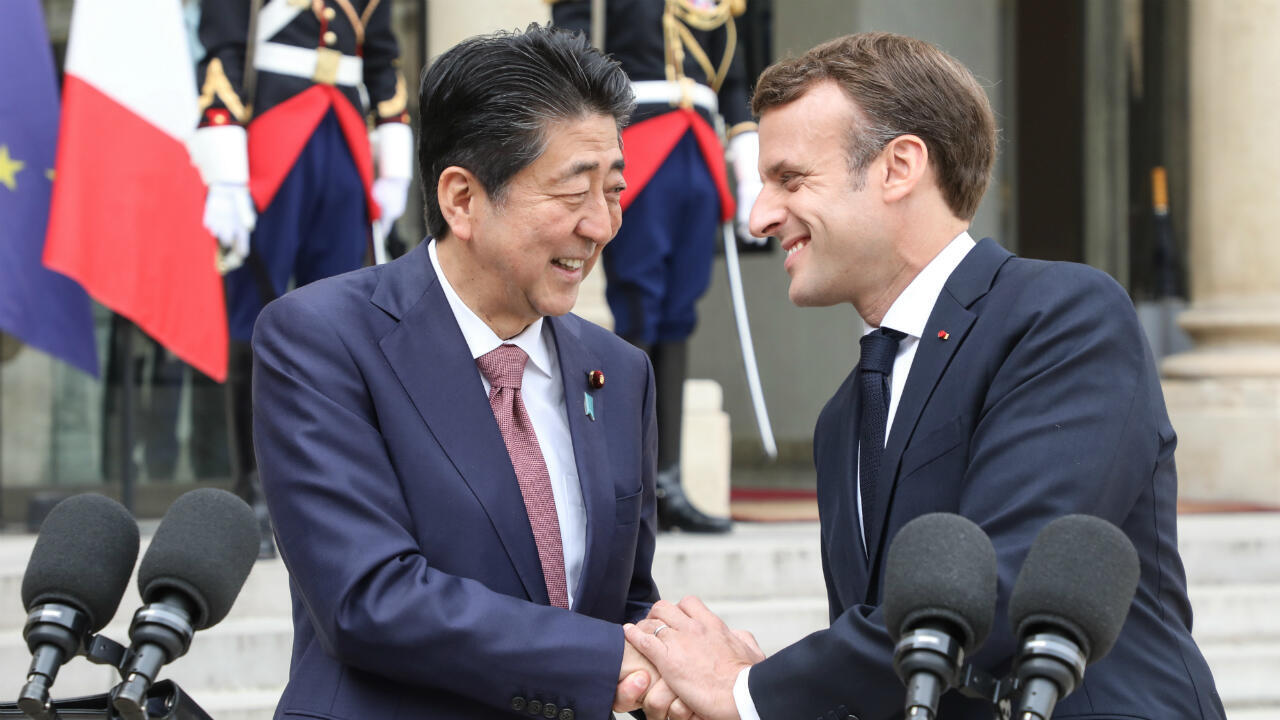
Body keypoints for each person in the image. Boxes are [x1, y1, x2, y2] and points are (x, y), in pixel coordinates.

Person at [624, 32, 1226, 720]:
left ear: (899, 167)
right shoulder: (842, 419)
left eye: (790, 180)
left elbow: (1004, 584)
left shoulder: (1060, 318)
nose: (758, 217)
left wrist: (747, 690)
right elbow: (904, 660)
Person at [251, 25, 663, 719]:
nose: (601, 225)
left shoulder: (618, 372)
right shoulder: (321, 339)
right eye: (573, 193)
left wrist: (685, 654)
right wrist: (609, 660)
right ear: (462, 199)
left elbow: (623, 601)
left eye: (614, 191)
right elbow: (369, 598)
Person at [192, 0, 414, 556]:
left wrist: (393, 153)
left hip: (342, 132)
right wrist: (226, 169)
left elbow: (383, 58)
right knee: (254, 312)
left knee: (347, 323)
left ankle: (338, 487)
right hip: (272, 127)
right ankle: (257, 490)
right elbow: (223, 50)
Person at [551, 0, 769, 533]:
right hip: (638, 138)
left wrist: (749, 162)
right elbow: (574, 38)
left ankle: (667, 479)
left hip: (698, 148)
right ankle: (629, 482)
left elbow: (733, 78)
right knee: (640, 305)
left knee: (679, 308)